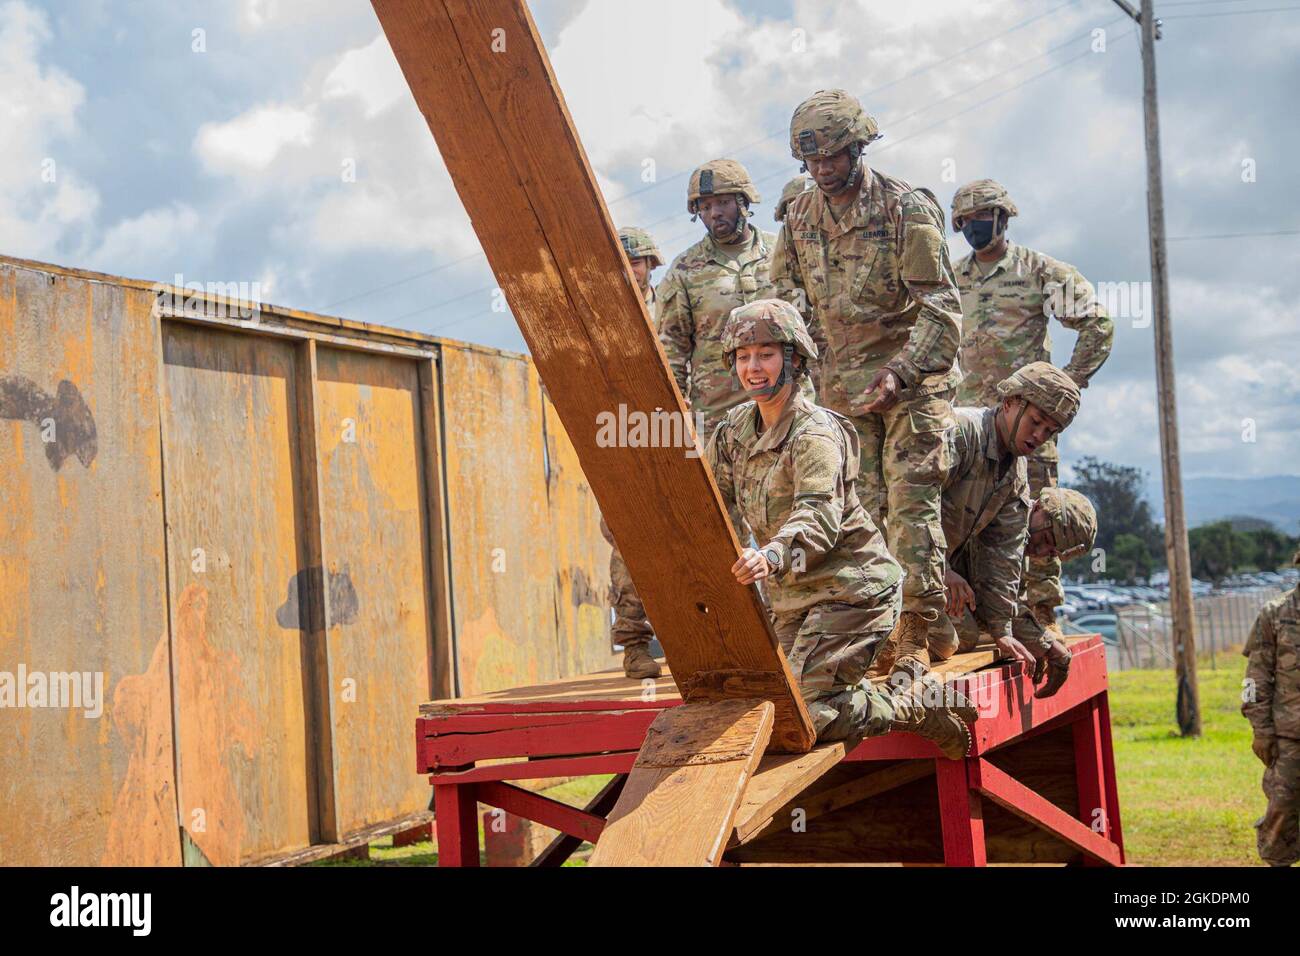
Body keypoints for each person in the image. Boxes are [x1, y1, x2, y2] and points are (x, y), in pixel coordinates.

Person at [706, 298, 973, 757]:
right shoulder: (734, 431)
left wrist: (769, 555)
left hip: (853, 593)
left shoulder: (816, 433)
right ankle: (901, 700)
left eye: (766, 354)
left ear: (792, 359)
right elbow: (712, 506)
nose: (753, 367)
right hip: (794, 599)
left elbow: (819, 516)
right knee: (769, 712)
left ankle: (910, 704)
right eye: (743, 357)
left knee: (807, 715)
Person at [772, 89, 964, 687]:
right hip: (840, 391)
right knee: (862, 512)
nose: (824, 171)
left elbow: (944, 308)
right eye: (813, 161)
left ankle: (915, 629)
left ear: (859, 149)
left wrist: (902, 373)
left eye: (834, 157)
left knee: (911, 503)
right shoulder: (801, 216)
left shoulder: (907, 208)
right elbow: (789, 299)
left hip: (912, 385)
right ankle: (887, 623)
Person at [950, 179, 1114, 636]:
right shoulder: (952, 276)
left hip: (1029, 424)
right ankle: (979, 615)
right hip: (971, 428)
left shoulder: (1037, 272)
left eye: (983, 217)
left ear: (1003, 218)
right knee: (964, 518)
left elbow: (1096, 323)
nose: (974, 228)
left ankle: (1040, 614)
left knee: (1039, 518)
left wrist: (1064, 388)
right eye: (965, 221)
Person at [1242, 561, 1300, 867]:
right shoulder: (1275, 613)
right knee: (1282, 810)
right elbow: (1254, 680)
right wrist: (1260, 729)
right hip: (1290, 736)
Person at [617, 226, 663, 322]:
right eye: (620, 265)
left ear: (651, 263)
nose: (628, 272)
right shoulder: (600, 312)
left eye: (635, 263)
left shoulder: (670, 309)